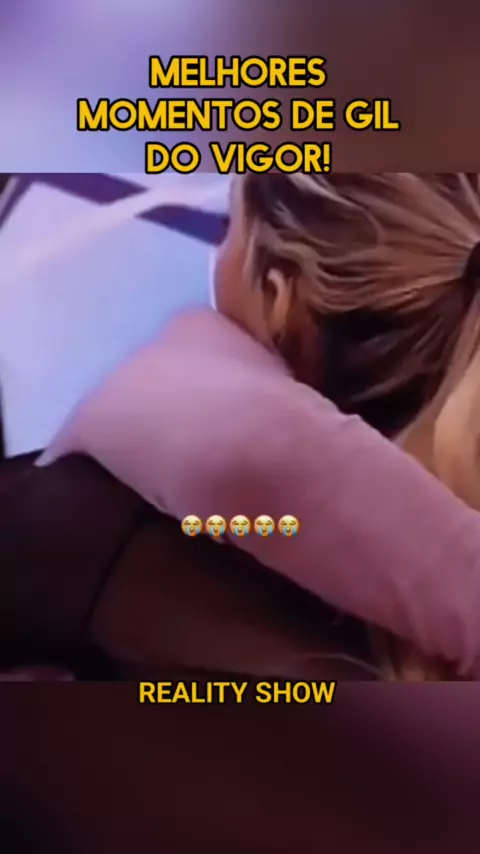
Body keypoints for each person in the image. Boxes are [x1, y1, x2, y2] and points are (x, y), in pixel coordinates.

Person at [41, 173, 480, 681]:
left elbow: (242, 446)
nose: (217, 252)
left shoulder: (191, 393)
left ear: (278, 298)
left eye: (229, 226)